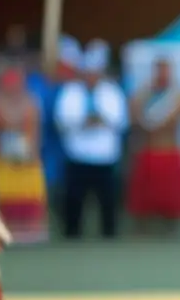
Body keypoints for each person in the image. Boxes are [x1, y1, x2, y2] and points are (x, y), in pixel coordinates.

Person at [53, 40, 128, 239]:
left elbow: (120, 120)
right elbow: (62, 119)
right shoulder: (71, 91)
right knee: (74, 199)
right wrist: (84, 121)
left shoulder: (112, 92)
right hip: (78, 155)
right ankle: (72, 233)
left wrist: (99, 120)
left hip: (105, 157)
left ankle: (109, 234)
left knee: (108, 200)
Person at [125, 57, 180, 233]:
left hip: (170, 149)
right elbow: (134, 117)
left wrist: (170, 119)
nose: (162, 73)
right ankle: (142, 231)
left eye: (165, 69)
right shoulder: (143, 94)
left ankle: (172, 229)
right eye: (159, 69)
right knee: (144, 197)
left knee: (172, 198)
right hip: (149, 149)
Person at [0, 65, 48, 242]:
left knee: (29, 200)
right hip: (3, 162)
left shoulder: (31, 102)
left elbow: (35, 134)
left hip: (27, 162)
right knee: (5, 200)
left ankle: (29, 238)